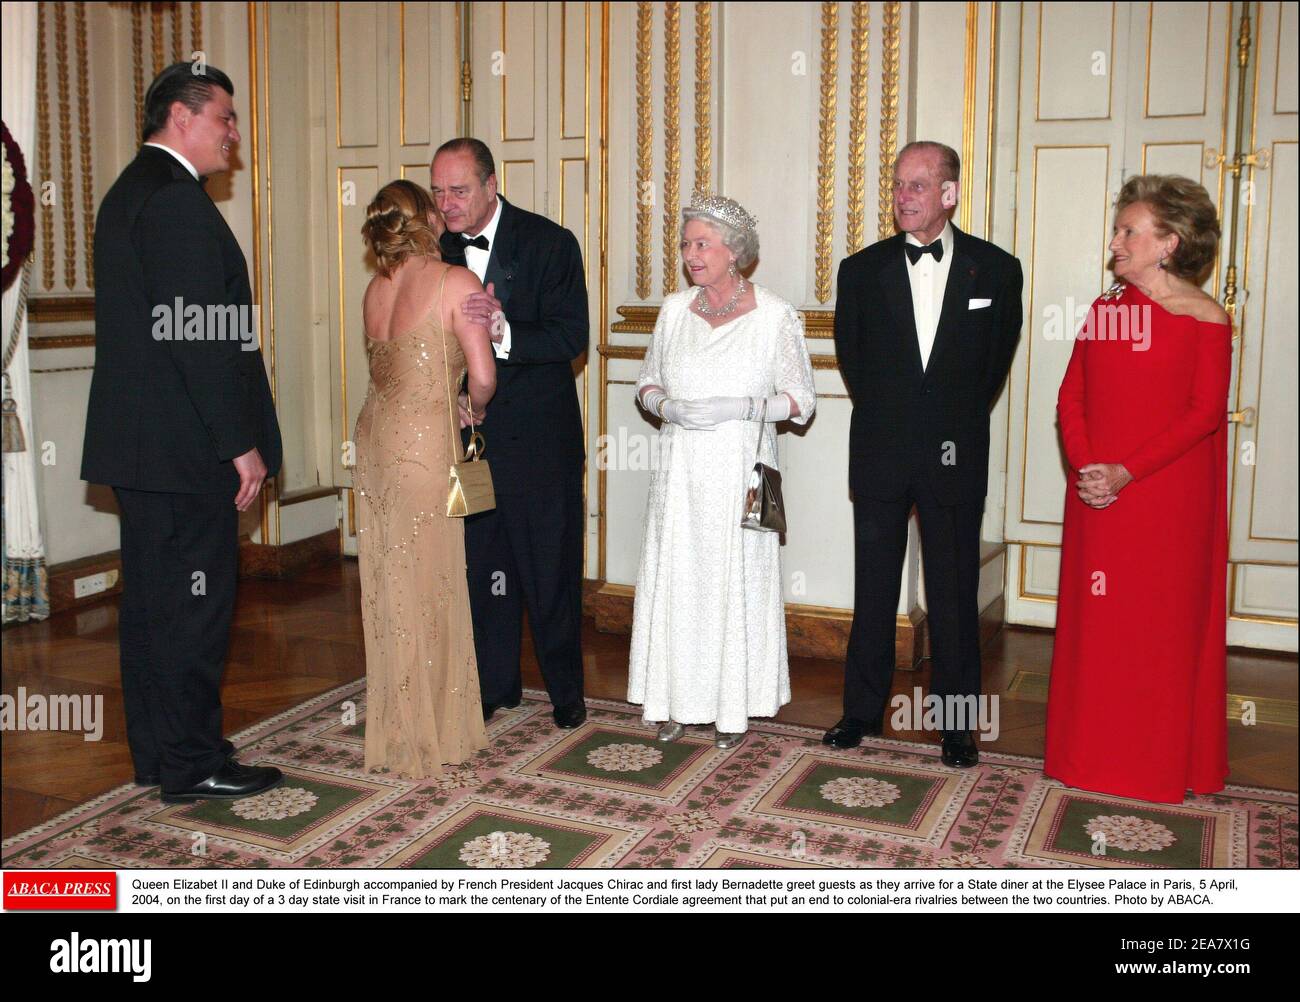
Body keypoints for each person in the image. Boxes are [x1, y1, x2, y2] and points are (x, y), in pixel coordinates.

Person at [82, 62, 283, 802]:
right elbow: (196, 338)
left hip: (148, 448)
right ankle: (194, 761)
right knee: (194, 609)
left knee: (154, 608)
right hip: (184, 448)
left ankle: (163, 751)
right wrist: (240, 442)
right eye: (224, 118)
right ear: (180, 117)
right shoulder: (174, 201)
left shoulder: (133, 190)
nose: (234, 134)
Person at [826, 140, 1023, 768]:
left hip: (955, 451)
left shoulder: (997, 270)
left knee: (954, 590)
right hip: (882, 449)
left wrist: (948, 424)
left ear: (949, 193)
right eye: (899, 185)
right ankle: (860, 712)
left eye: (918, 185)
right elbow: (855, 361)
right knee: (874, 587)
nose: (904, 196)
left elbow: (991, 365)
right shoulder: (860, 271)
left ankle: (956, 725)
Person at [1045, 175, 1230, 803]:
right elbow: (1072, 395)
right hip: (1099, 491)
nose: (1116, 241)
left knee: (1158, 628)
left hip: (1167, 499)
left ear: (1168, 243)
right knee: (1100, 628)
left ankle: (1152, 765)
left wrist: (1129, 471)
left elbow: (1204, 414)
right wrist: (1087, 465)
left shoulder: (1206, 319)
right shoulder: (1106, 309)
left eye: (1130, 231)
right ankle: (1088, 757)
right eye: (1118, 229)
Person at [629, 194, 816, 750]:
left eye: (702, 244)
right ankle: (671, 699)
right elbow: (646, 383)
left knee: (732, 582)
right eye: (686, 244)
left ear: (734, 251)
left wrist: (743, 407)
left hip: (744, 474)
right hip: (680, 473)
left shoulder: (775, 315)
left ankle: (732, 707)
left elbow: (802, 401)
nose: (690, 254)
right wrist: (667, 407)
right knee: (679, 581)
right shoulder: (671, 311)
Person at [431, 138, 589, 729]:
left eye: (459, 190)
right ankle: (495, 686)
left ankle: (566, 692)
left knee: (549, 569)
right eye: (438, 191)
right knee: (482, 566)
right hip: (467, 442)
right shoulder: (432, 249)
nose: (447, 204)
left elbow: (571, 336)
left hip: (540, 443)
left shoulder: (550, 243)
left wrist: (503, 333)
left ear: (491, 185)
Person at [354, 179, 496, 779]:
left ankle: (396, 725)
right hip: (425, 445)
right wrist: (475, 406)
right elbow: (483, 374)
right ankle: (435, 731)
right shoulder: (454, 281)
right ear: (429, 219)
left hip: (374, 442)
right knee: (434, 581)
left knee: (390, 582)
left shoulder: (373, 289)